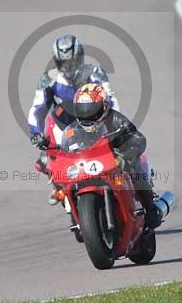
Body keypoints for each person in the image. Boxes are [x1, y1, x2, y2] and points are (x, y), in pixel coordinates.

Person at [27, 35, 119, 202]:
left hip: (97, 123)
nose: (68, 67)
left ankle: (144, 194)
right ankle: (60, 187)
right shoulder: (49, 79)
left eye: (72, 61)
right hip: (65, 128)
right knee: (44, 159)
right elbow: (38, 109)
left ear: (80, 58)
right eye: (63, 63)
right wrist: (35, 132)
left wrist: (114, 123)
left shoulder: (94, 73)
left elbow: (110, 99)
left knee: (123, 149)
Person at [70, 83, 161, 229]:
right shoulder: (75, 127)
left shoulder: (116, 119)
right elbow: (67, 144)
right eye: (81, 110)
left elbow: (138, 138)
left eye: (91, 110)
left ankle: (150, 208)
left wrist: (128, 153)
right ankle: (79, 218)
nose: (86, 115)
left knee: (134, 168)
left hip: (117, 160)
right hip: (91, 165)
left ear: (104, 105)